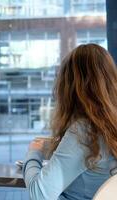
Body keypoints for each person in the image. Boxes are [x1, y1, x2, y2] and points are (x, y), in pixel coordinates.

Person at [23, 44, 117, 200]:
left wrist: (34, 152)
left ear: (69, 86)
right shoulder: (109, 125)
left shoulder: (84, 132)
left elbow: (39, 193)